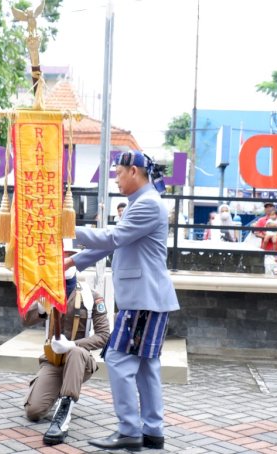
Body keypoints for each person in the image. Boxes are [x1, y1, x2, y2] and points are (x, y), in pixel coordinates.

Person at [64, 150, 179, 451]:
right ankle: (152, 431)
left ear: (134, 172)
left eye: (118, 171)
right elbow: (112, 244)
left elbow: (112, 238)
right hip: (150, 298)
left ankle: (129, 430)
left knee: (117, 358)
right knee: (146, 366)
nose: (116, 176)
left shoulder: (148, 204)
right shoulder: (143, 202)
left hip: (143, 300)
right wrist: (72, 262)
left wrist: (65, 228)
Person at [22, 240, 110, 446]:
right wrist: (41, 310)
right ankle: (55, 390)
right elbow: (26, 319)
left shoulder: (92, 296)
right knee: (34, 412)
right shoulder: (46, 291)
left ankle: (64, 414)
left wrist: (73, 344)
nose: (62, 261)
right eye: (58, 256)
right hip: (53, 361)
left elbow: (104, 335)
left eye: (67, 256)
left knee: (77, 353)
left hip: (80, 361)